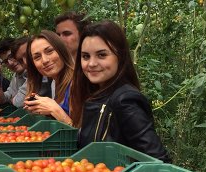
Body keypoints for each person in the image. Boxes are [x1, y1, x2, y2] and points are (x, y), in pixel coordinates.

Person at [70, 20, 171, 162]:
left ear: (120, 56)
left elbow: (157, 160)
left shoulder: (125, 100)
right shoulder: (97, 95)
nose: (91, 64)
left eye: (102, 55)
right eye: (86, 56)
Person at [23, 30, 74, 126]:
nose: (45, 60)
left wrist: (54, 109)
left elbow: (85, 136)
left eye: (49, 51)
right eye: (37, 57)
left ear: (61, 50)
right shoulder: (54, 83)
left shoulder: (78, 83)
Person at [0, 36, 29, 105]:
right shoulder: (16, 75)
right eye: (6, 61)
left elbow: (19, 102)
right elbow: (10, 93)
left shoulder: (36, 72)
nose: (10, 63)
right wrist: (2, 96)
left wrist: (12, 100)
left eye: (11, 56)